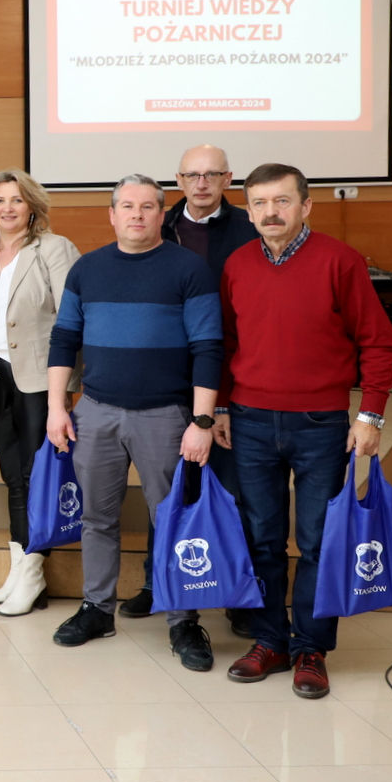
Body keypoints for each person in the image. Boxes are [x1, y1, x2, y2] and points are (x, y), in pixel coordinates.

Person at [218, 163, 392, 699]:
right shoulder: (236, 264)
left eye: (281, 201)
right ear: (247, 210)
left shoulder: (339, 262)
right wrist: (223, 408)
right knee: (262, 538)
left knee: (319, 540)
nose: (269, 212)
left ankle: (310, 648)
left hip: (322, 426)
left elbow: (379, 343)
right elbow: (226, 345)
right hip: (249, 421)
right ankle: (271, 640)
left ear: (305, 206)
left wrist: (371, 415)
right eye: (259, 203)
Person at [46, 175, 223, 672]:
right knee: (97, 518)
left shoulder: (189, 269)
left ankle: (183, 621)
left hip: (166, 417)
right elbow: (63, 339)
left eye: (148, 206)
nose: (137, 214)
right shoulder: (87, 269)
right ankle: (97, 609)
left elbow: (208, 347)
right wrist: (58, 407)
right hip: (96, 412)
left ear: (162, 214)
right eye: (127, 206)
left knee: (173, 520)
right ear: (112, 213)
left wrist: (202, 420)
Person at [121, 143, 258, 624]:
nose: (201, 183)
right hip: (167, 378)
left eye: (212, 174)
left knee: (229, 490)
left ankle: (237, 594)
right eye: (192, 175)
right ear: (178, 181)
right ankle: (156, 580)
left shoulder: (249, 229)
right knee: (168, 490)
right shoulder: (159, 226)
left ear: (228, 179)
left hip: (231, 377)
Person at [0, 169, 80, 617]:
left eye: (16, 199)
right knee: (13, 473)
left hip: (38, 377)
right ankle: (20, 568)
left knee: (36, 476)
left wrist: (64, 389)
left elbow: (72, 318)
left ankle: (33, 573)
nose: (7, 207)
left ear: (32, 205)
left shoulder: (53, 248)